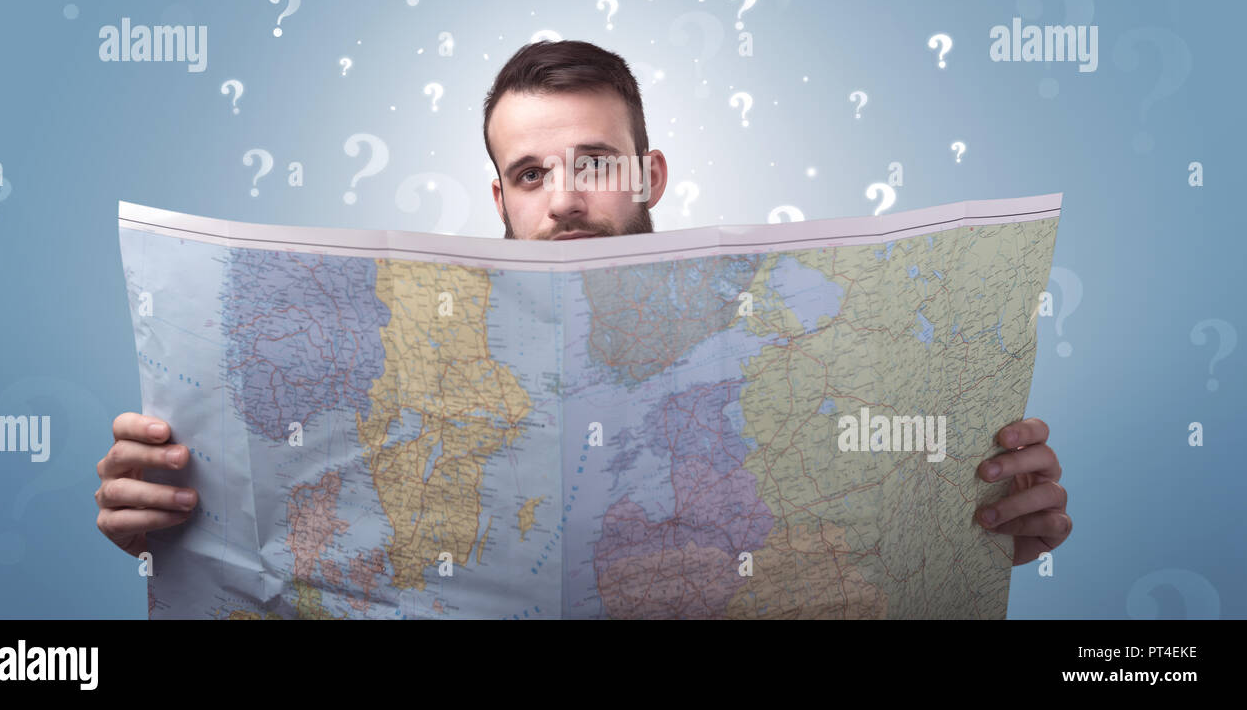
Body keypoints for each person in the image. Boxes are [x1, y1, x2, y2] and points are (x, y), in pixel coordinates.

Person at [96, 39, 1071, 570]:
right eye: (529, 172)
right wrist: (178, 516)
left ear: (648, 173)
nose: (562, 197)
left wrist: (981, 529)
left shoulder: (793, 340)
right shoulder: (417, 375)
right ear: (501, 201)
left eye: (593, 163)